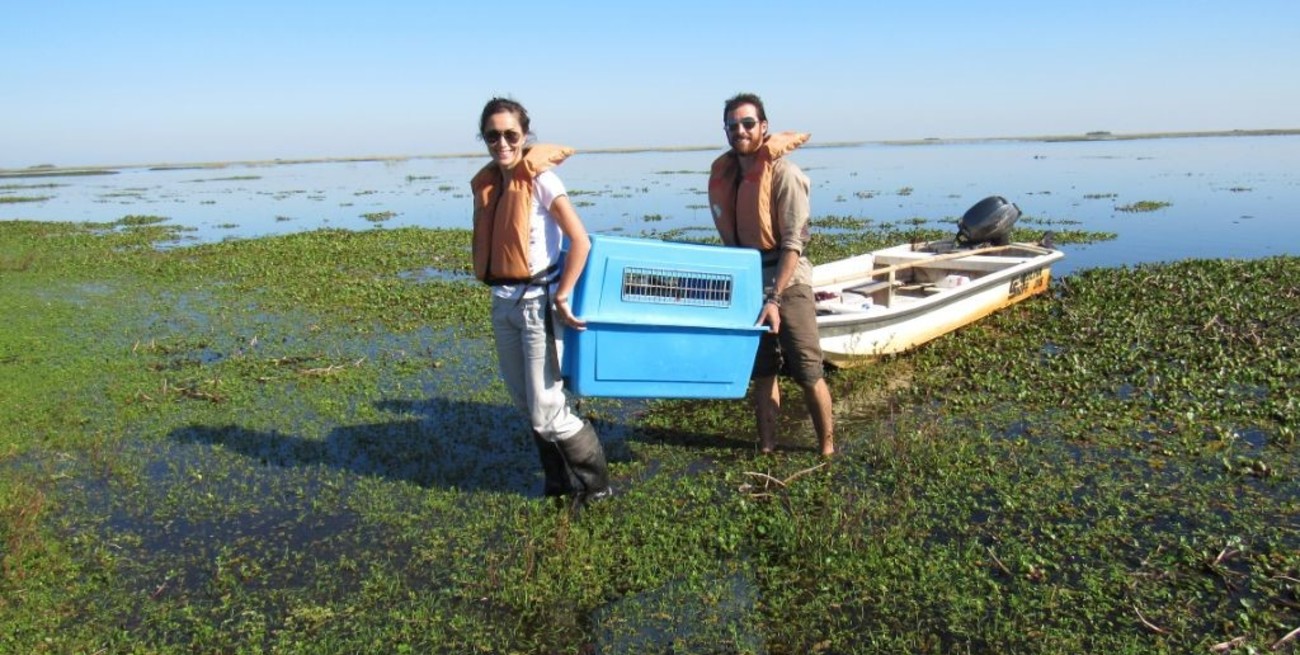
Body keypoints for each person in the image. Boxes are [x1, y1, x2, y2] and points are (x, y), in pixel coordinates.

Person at [469, 97, 613, 504]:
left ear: (525, 135)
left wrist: (563, 294)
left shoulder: (542, 180)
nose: (502, 143)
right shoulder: (491, 185)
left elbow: (580, 241)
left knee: (547, 407)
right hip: (504, 303)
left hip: (538, 306)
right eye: (492, 135)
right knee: (526, 402)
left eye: (510, 135)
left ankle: (598, 486)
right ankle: (557, 482)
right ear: (484, 137)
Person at [707, 93, 835, 456]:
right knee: (763, 374)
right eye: (733, 126)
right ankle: (766, 447)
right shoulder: (728, 176)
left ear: (764, 127)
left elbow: (793, 244)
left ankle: (827, 450)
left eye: (748, 123)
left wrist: (775, 298)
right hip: (748, 284)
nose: (740, 131)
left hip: (787, 283)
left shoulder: (786, 175)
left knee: (809, 371)